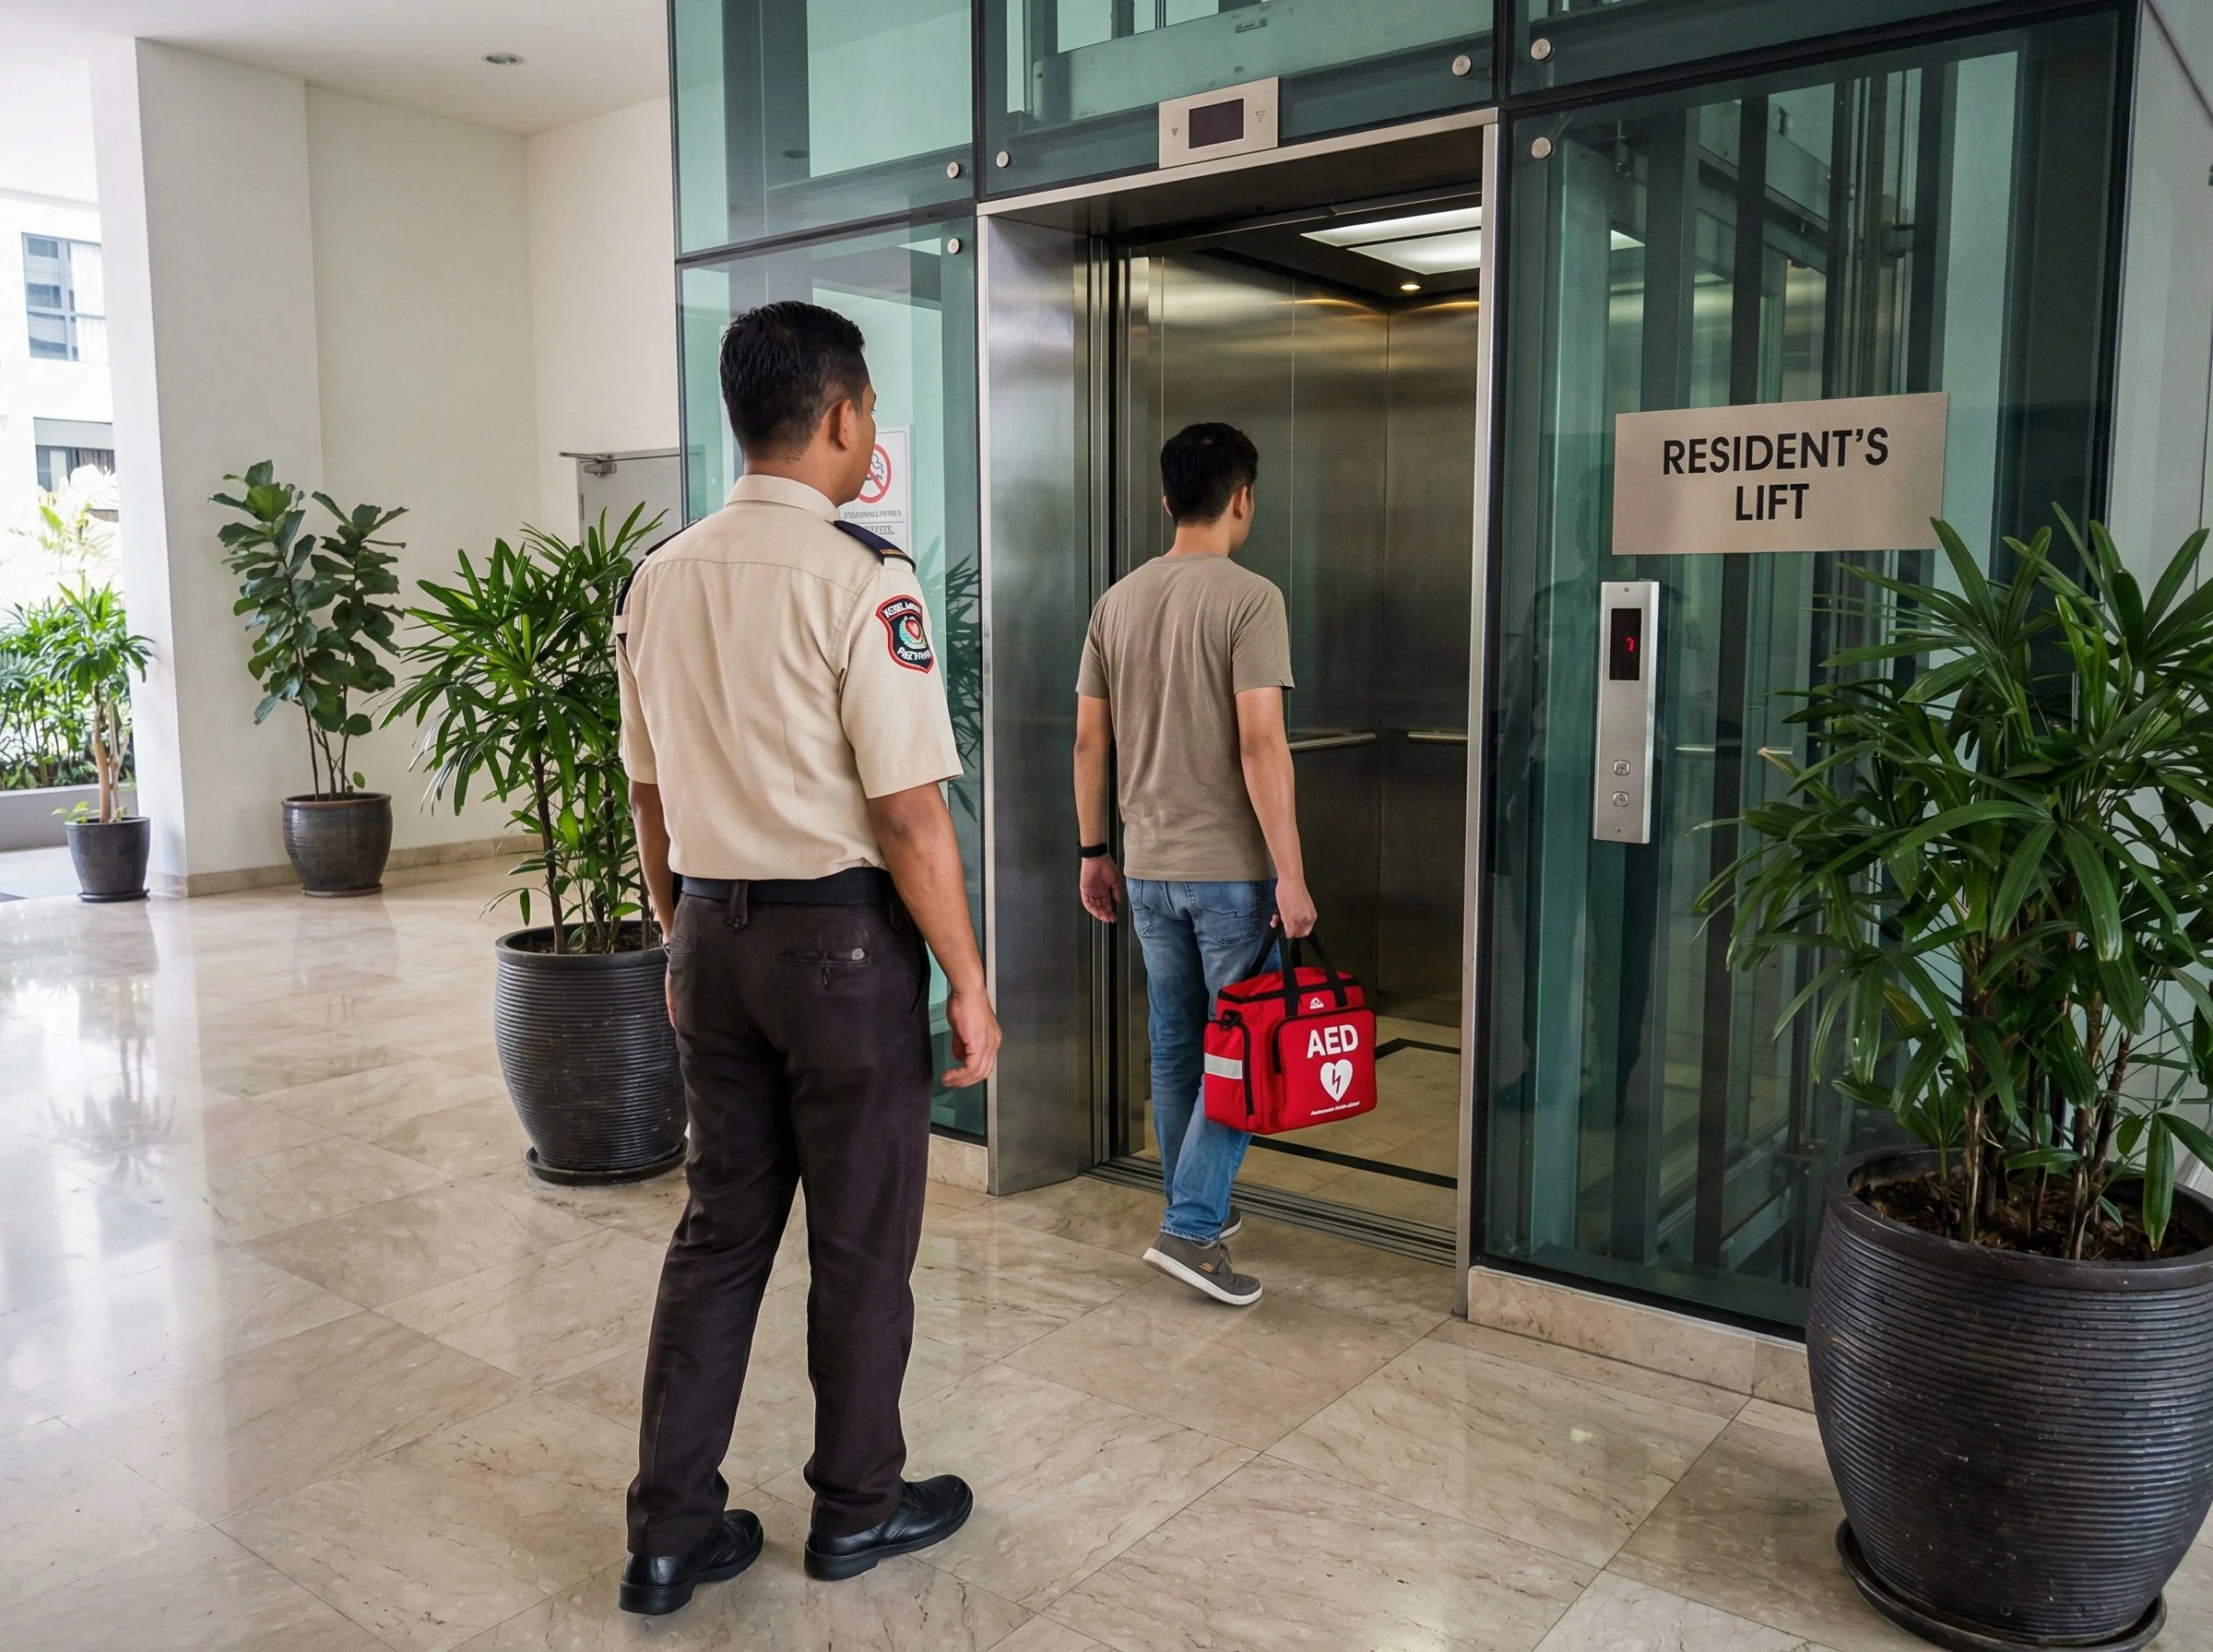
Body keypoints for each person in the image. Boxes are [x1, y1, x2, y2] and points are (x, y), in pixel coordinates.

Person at [613, 300, 1000, 1616]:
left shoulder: (657, 580)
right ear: (839, 416)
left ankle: (668, 1533)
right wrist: (969, 978)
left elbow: (650, 798)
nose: (872, 428)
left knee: (719, 1232)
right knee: (860, 1236)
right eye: (872, 408)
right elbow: (907, 813)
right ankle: (856, 1511)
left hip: (710, 935)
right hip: (839, 950)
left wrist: (678, 936)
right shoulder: (862, 580)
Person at [1072, 421, 1315, 1308]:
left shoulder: (1118, 601)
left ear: (1168, 499)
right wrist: (1289, 873)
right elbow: (1261, 743)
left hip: (1146, 868)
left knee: (1179, 1045)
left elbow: (1088, 740)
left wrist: (1095, 850)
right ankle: (1192, 1226)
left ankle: (1191, 1202)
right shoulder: (1253, 600)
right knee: (1243, 1050)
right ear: (1242, 498)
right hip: (1230, 874)